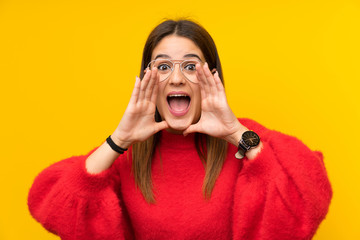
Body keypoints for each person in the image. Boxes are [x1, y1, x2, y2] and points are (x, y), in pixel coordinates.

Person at [28, 19, 332, 240]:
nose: (176, 79)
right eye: (162, 66)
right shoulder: (127, 151)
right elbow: (55, 206)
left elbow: (303, 208)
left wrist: (235, 133)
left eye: (190, 66)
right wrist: (119, 139)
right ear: (147, 78)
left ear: (211, 77)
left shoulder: (242, 139)